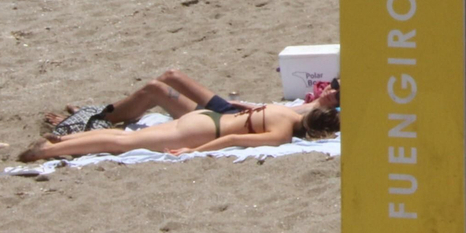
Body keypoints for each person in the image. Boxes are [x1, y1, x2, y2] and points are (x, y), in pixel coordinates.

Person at [19, 102, 339, 162]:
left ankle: (62, 139)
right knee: (123, 142)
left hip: (206, 116)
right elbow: (233, 139)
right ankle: (44, 152)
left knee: (126, 138)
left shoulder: (288, 111)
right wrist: (195, 151)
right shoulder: (283, 132)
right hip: (203, 132)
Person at [45, 70, 339, 132]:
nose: (331, 89)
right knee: (171, 76)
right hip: (235, 110)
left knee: (154, 90)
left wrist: (318, 105)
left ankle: (94, 120)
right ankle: (110, 111)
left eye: (336, 93)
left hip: (228, 119)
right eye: (335, 86)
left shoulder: (325, 113)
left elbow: (295, 117)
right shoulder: (326, 101)